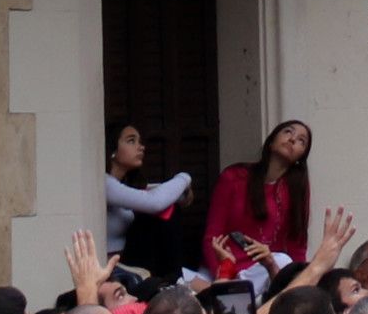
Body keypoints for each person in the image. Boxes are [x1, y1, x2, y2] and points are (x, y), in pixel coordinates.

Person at [205, 119, 313, 283]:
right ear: (271, 142)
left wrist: (297, 282)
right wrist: (223, 275)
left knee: (284, 262)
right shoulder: (233, 177)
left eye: (301, 141)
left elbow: (297, 247)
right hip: (227, 269)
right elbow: (211, 238)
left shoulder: (296, 190)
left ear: (300, 158)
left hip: (266, 272)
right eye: (288, 132)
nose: (292, 139)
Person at [101, 124, 196, 278]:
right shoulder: (105, 183)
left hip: (131, 265)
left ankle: (177, 279)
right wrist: (184, 177)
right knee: (161, 211)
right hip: (115, 270)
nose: (141, 147)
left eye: (140, 141)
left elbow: (165, 194)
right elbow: (155, 202)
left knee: (200, 283)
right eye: (131, 141)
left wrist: (181, 191)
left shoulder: (124, 185)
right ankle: (174, 279)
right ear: (112, 150)